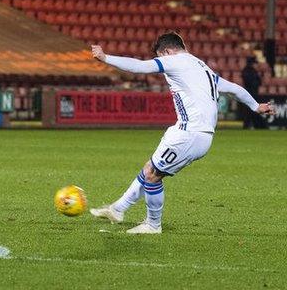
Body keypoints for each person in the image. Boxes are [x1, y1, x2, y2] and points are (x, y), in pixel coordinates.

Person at [89, 32, 275, 234]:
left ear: (167, 52)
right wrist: (256, 106)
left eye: (160, 57)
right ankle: (118, 209)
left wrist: (105, 58)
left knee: (153, 176)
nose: (160, 61)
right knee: (150, 168)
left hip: (190, 134)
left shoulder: (174, 61)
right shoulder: (202, 68)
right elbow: (234, 89)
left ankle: (153, 225)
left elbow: (140, 67)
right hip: (192, 132)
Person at [241, 56, 263, 129]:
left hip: (251, 93)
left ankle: (250, 125)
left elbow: (259, 82)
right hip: (250, 93)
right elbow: (255, 82)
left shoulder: (248, 71)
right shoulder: (248, 71)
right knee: (249, 111)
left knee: (250, 111)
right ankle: (248, 126)